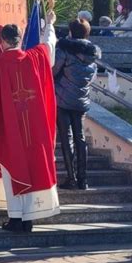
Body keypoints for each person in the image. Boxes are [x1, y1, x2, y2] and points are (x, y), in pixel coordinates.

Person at [0, 11, 60, 232]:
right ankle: (28, 218)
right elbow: (49, 46)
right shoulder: (36, 58)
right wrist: (49, 24)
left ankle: (15, 219)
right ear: (20, 39)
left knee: (11, 170)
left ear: (2, 42)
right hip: (34, 128)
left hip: (9, 130)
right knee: (32, 167)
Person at [53, 18, 100, 190]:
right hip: (81, 100)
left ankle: (71, 178)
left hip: (63, 99)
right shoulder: (92, 54)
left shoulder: (64, 49)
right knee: (80, 138)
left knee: (67, 138)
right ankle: (83, 179)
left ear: (71, 32)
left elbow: (54, 70)